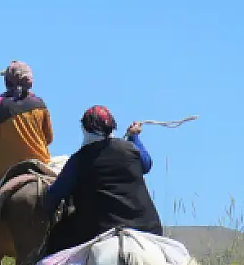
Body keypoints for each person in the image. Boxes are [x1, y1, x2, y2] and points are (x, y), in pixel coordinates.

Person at [40, 105, 163, 256]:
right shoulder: (129, 148)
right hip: (149, 228)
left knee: (52, 248)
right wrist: (134, 137)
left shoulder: (79, 160)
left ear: (84, 129)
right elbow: (147, 164)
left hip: (100, 231)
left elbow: (54, 196)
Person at [0, 60, 54, 181]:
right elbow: (49, 138)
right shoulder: (39, 103)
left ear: (7, 82)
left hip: (5, 167)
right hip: (41, 162)